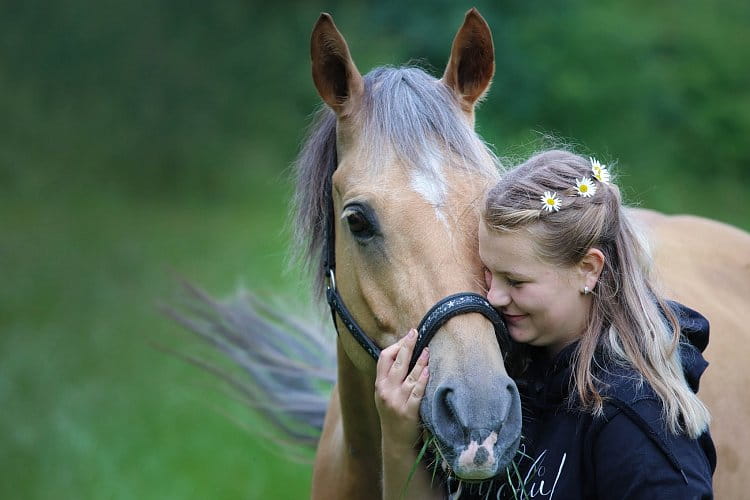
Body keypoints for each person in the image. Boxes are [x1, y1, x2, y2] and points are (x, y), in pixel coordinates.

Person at [375, 150, 716, 499]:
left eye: (516, 281)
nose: (493, 297)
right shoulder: (508, 378)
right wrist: (399, 441)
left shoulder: (637, 418)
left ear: (588, 269)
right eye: (488, 274)